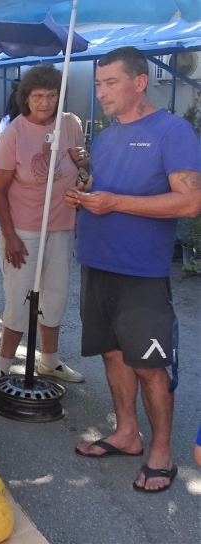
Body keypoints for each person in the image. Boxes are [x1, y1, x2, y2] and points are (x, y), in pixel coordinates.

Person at [65, 47, 201, 493]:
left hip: (141, 273)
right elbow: (100, 189)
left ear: (140, 82)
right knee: (112, 354)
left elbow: (190, 201)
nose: (101, 92)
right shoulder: (105, 136)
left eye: (110, 83)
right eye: (99, 83)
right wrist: (82, 193)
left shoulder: (172, 131)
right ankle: (127, 433)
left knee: (151, 366)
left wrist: (115, 203)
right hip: (97, 263)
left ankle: (161, 451)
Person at [0, 65, 87, 390]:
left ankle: (50, 361)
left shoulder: (71, 125)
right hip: (23, 231)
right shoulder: (14, 133)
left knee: (54, 295)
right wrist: (10, 236)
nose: (45, 102)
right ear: (25, 98)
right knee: (19, 297)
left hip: (61, 227)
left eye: (51, 95)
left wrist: (85, 166)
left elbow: (83, 173)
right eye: (37, 96)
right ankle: (3, 364)